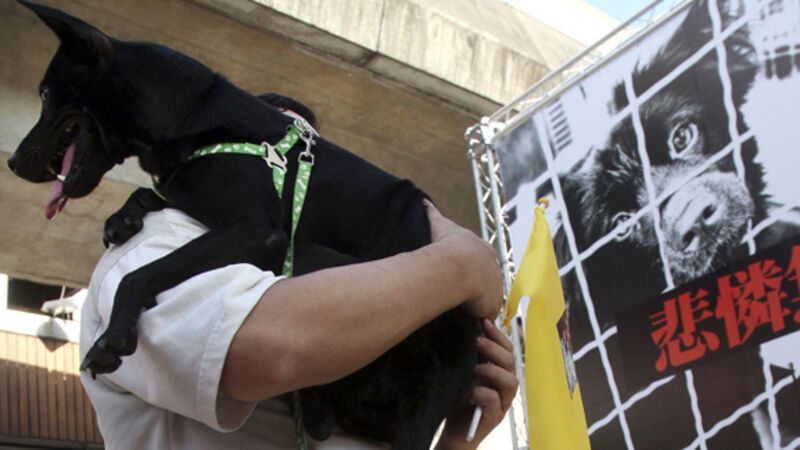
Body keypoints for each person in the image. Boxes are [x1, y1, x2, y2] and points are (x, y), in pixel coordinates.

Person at [79, 102, 517, 449]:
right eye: (274, 150)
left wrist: (453, 441)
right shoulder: (157, 242)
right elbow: (271, 350)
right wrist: (458, 263)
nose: (294, 174)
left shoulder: (344, 291)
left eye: (313, 161)